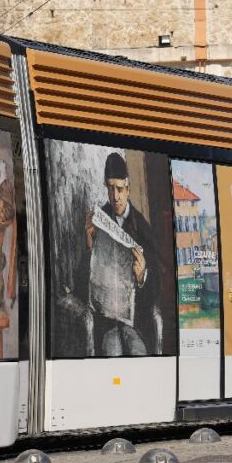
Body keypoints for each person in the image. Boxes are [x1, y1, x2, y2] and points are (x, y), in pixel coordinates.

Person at [80, 152, 161, 356]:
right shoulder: (99, 220)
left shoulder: (142, 227)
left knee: (138, 354)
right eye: (110, 188)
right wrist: (89, 245)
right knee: (112, 353)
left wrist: (142, 276)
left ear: (128, 189)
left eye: (119, 189)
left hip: (135, 323)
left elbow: (156, 290)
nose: (115, 196)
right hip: (107, 323)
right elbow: (81, 284)